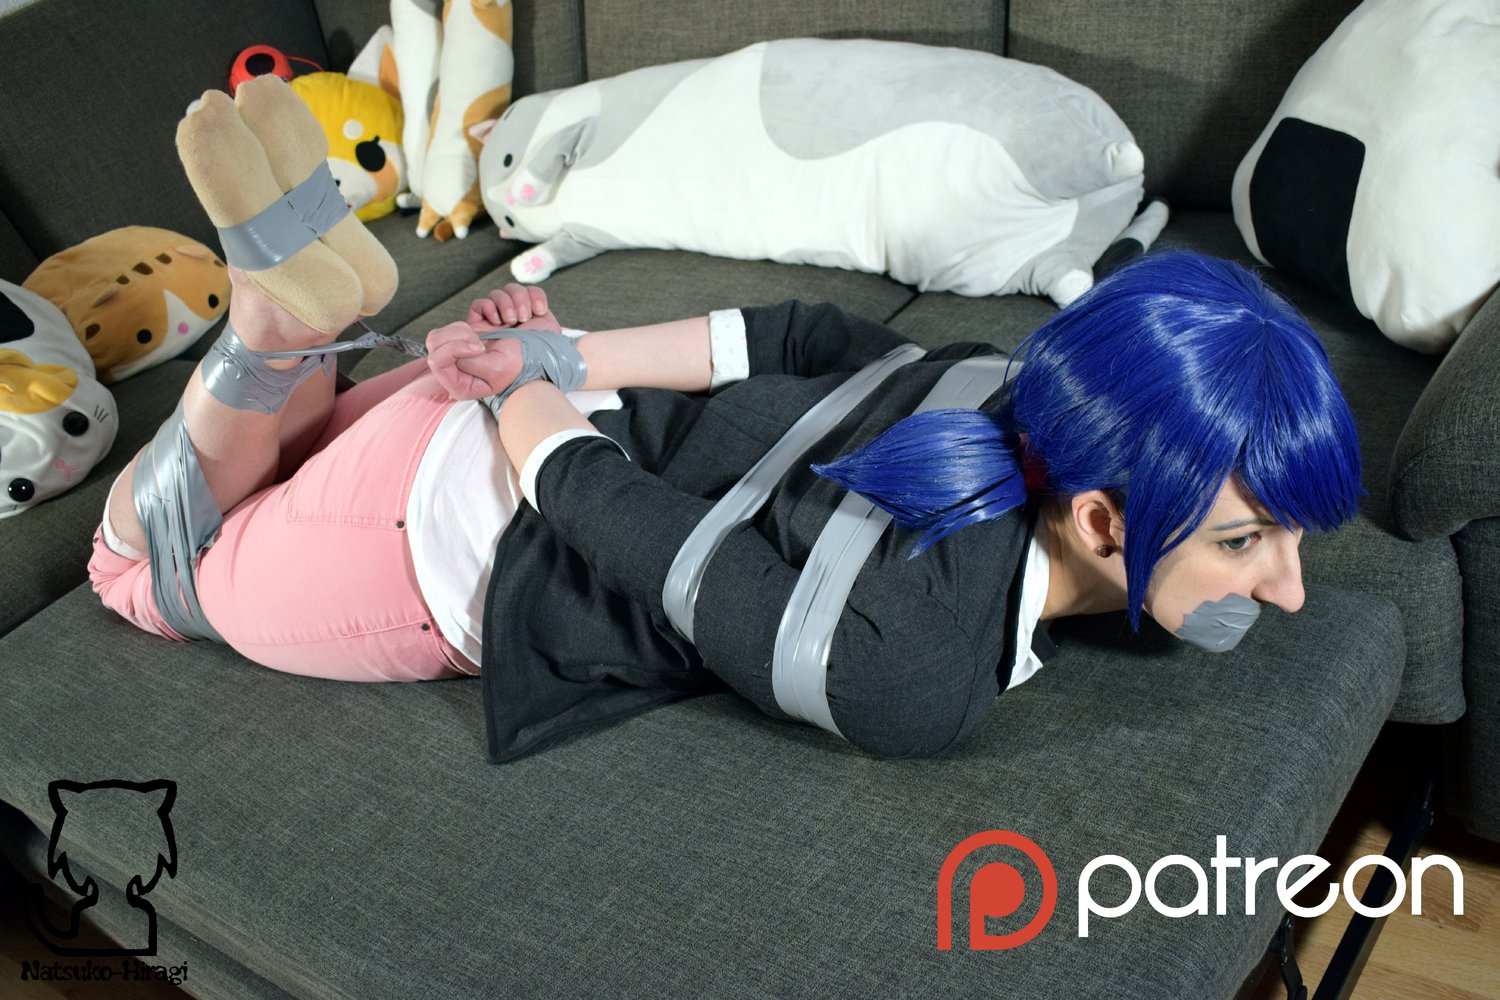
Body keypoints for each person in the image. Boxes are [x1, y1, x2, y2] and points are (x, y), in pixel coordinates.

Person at [91, 83, 1362, 762]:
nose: (1289, 592)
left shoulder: (993, 383)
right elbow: (645, 536)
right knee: (135, 572)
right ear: (1099, 519)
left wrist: (561, 356)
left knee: (272, 470)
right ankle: (272, 323)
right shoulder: (916, 677)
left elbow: (797, 335)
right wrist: (526, 386)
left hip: (525, 416)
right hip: (455, 534)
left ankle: (297, 311)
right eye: (1249, 541)